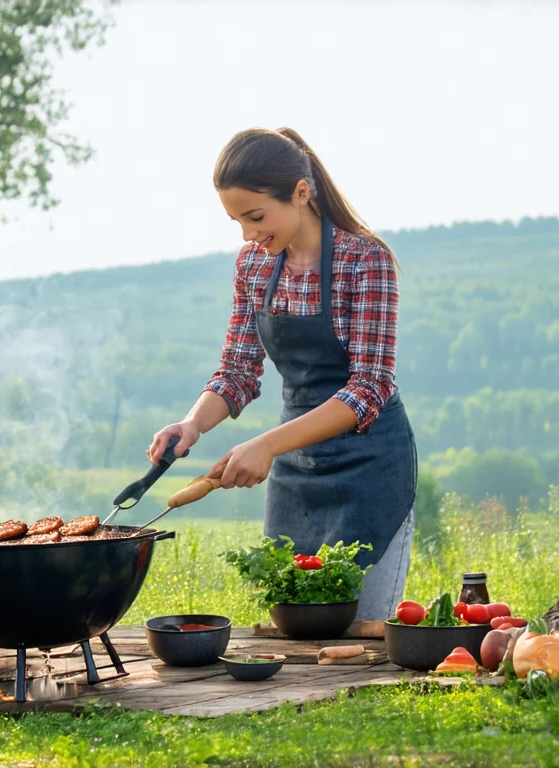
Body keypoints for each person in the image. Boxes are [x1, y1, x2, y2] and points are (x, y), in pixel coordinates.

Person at [148, 127, 417, 622]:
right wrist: (192, 424)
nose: (249, 234)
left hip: (371, 471)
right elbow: (238, 372)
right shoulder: (253, 265)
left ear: (300, 193)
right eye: (237, 221)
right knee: (295, 626)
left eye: (255, 217)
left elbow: (369, 387)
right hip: (296, 471)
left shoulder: (365, 260)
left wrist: (267, 445)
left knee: (360, 633)